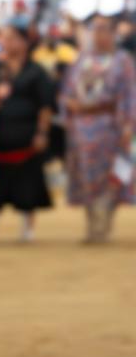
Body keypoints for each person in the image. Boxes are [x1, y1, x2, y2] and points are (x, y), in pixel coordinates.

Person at [0, 22, 55, 244]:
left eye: (13, 38)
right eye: (4, 38)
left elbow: (46, 106)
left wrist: (42, 133)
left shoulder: (36, 72)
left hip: (26, 135)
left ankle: (27, 230)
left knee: (28, 184)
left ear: (25, 42)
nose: (7, 42)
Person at [61, 13, 136, 243]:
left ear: (113, 33)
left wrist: (127, 127)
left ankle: (104, 223)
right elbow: (67, 90)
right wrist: (69, 109)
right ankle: (92, 223)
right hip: (81, 128)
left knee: (109, 176)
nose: (99, 34)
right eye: (95, 29)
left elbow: (129, 95)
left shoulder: (122, 61)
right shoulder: (81, 59)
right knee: (85, 176)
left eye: (104, 29)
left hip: (109, 127)